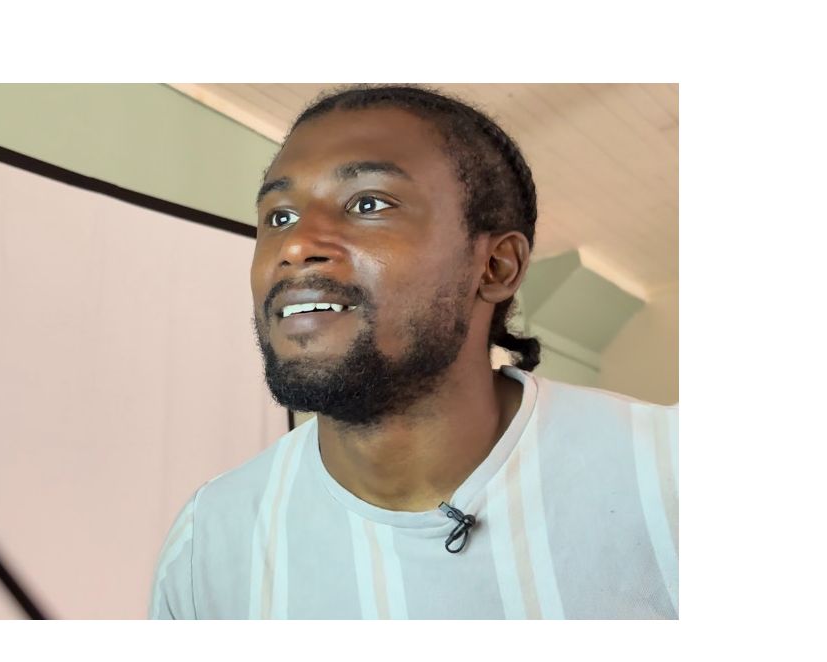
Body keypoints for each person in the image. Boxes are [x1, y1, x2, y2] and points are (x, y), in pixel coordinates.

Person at [148, 84, 678, 620]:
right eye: (279, 217)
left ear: (496, 267)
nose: (295, 245)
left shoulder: (669, 473)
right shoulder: (207, 545)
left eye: (368, 204)